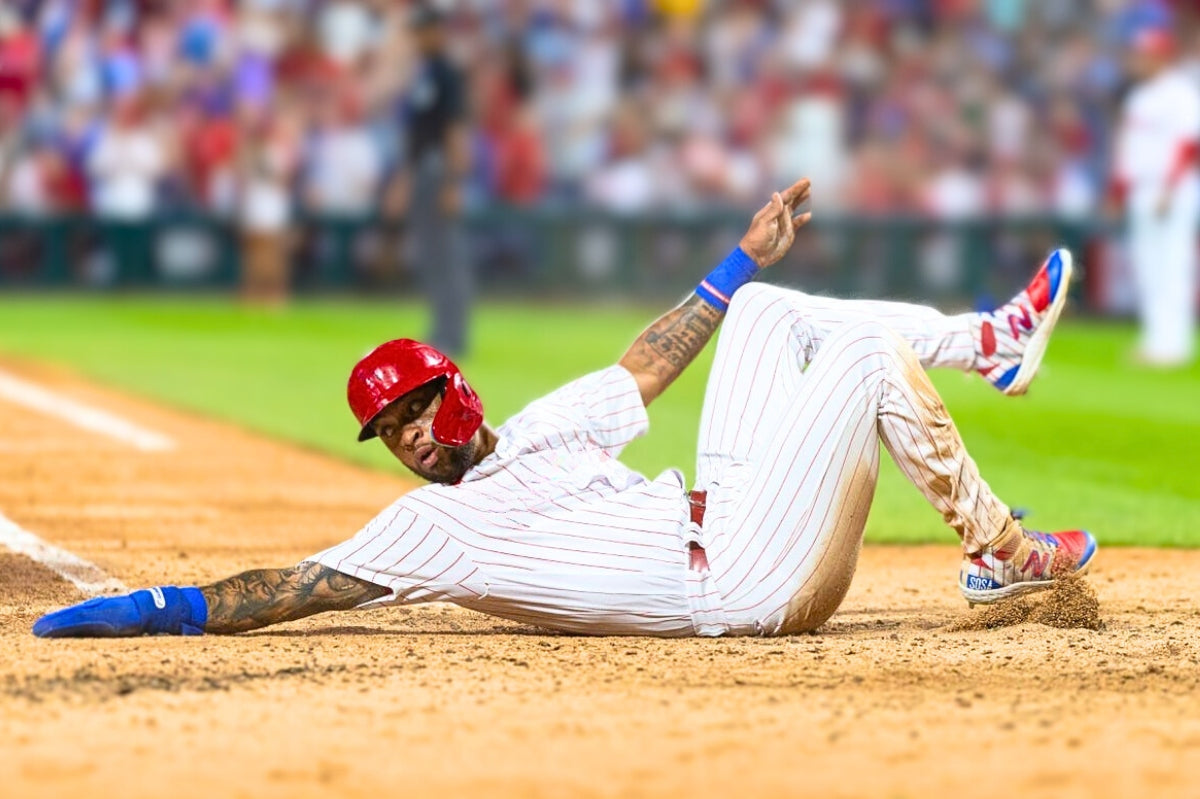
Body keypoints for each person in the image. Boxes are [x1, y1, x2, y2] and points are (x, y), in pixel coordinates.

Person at [31, 177, 1096, 640]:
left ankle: (992, 346)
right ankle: (996, 549)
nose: (406, 437)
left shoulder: (539, 424)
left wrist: (735, 258)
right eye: (389, 429)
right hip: (744, 582)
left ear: (457, 389)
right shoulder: (431, 526)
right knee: (866, 351)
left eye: (414, 408)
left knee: (766, 312)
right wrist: (155, 607)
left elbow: (646, 366)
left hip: (727, 512)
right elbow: (296, 588)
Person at [1110, 26, 1200, 367]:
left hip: (1172, 188)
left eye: (1145, 53)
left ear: (1161, 56)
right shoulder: (1139, 97)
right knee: (1147, 266)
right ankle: (1155, 340)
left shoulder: (1181, 93)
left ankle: (1174, 345)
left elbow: (1188, 145)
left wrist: (1169, 187)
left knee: (1173, 264)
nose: (1139, 59)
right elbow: (1128, 151)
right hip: (1142, 188)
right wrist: (1119, 191)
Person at [388, 5, 472, 356]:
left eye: (423, 31)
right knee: (431, 253)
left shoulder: (447, 74)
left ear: (437, 30)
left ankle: (453, 334)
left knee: (445, 253)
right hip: (423, 165)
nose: (418, 38)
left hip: (438, 168)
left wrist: (453, 182)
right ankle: (441, 328)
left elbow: (454, 130)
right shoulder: (426, 73)